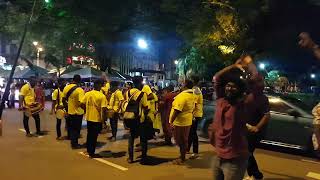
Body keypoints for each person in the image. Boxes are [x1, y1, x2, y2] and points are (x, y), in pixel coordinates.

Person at [210, 62, 256, 180]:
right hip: (218, 155)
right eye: (228, 85)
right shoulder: (221, 100)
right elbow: (217, 78)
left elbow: (255, 85)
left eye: (234, 86)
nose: (230, 88)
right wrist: (233, 67)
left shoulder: (242, 105)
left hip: (235, 159)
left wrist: (250, 66)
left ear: (240, 90)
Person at [244, 74, 270, 180]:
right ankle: (253, 175)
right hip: (246, 128)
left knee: (246, 152)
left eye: (254, 83)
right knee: (246, 153)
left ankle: (256, 175)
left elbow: (267, 115)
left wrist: (257, 127)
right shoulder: (248, 95)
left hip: (254, 132)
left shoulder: (263, 99)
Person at [169, 79, 196, 165]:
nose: (181, 84)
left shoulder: (183, 96)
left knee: (180, 140)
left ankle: (182, 158)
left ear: (185, 85)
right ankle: (182, 156)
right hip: (187, 121)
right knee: (183, 140)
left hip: (180, 122)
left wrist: (171, 122)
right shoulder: (192, 95)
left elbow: (177, 110)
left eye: (182, 83)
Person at [124, 76, 150, 164]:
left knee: (131, 137)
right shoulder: (142, 94)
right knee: (143, 138)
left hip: (130, 117)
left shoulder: (127, 92)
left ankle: (131, 158)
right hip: (140, 119)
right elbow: (146, 107)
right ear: (140, 83)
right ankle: (144, 157)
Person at [80, 79, 107, 158]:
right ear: (100, 86)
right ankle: (92, 153)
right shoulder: (102, 96)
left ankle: (89, 150)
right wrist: (104, 121)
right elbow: (103, 109)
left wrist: (86, 110)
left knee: (89, 135)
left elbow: (81, 104)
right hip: (97, 119)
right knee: (94, 136)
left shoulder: (88, 94)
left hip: (88, 118)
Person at [62, 75, 85, 149]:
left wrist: (67, 109)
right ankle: (75, 144)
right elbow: (81, 103)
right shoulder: (80, 90)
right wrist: (86, 110)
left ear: (73, 79)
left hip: (70, 112)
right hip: (78, 113)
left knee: (71, 128)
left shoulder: (66, 88)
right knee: (77, 129)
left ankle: (72, 142)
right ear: (79, 81)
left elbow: (63, 100)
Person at [187, 76, 203, 159]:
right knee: (190, 132)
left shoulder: (196, 90)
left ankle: (195, 152)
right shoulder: (195, 89)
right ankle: (188, 148)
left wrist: (192, 115)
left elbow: (194, 103)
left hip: (195, 114)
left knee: (193, 133)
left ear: (193, 81)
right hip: (195, 114)